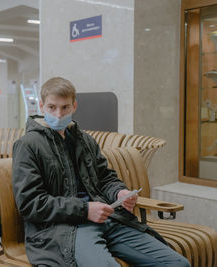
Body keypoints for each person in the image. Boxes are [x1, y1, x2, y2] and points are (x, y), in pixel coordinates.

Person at [12, 77, 190, 267]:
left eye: (65, 107)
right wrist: (85, 210)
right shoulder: (28, 145)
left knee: (177, 263)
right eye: (52, 107)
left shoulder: (85, 141)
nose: (58, 114)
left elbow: (105, 177)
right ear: (41, 106)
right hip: (65, 229)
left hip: (109, 218)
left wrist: (119, 192)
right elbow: (30, 204)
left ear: (74, 106)